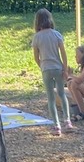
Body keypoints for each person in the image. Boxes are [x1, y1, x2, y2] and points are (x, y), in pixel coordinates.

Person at [31, 8, 73, 136]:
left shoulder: (37, 37)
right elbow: (63, 53)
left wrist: (42, 66)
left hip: (46, 68)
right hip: (57, 67)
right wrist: (65, 68)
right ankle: (67, 121)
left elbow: (35, 57)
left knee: (50, 98)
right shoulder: (56, 34)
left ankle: (56, 126)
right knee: (62, 94)